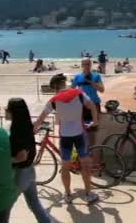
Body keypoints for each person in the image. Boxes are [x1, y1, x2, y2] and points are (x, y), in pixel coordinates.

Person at [33, 74, 99, 204]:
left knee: (65, 166)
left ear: (56, 87)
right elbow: (92, 106)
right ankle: (88, 194)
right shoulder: (79, 93)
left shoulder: (54, 100)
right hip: (79, 133)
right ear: (64, 83)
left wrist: (33, 129)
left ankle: (68, 195)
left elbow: (41, 118)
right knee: (85, 165)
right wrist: (94, 121)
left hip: (65, 136)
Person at [6, 98, 51, 223]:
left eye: (7, 108)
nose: (5, 110)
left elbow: (22, 156)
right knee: (35, 204)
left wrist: (6, 161)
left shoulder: (17, 131)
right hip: (29, 171)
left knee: (3, 207)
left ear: (13, 111)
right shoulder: (26, 126)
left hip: (20, 174)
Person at [71, 58, 104, 124]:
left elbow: (102, 90)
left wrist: (91, 82)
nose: (87, 66)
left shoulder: (96, 76)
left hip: (94, 103)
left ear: (91, 65)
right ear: (82, 65)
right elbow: (71, 90)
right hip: (82, 105)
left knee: (95, 125)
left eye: (88, 64)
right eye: (85, 64)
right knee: (83, 126)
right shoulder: (77, 77)